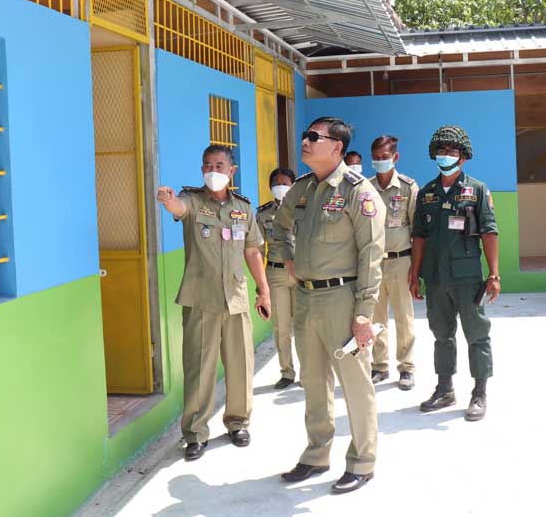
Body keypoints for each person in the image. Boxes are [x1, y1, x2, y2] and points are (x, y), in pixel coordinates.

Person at [271, 117, 385, 495]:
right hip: (305, 297)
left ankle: (362, 461)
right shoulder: (301, 189)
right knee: (314, 382)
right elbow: (279, 227)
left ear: (337, 147)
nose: (305, 141)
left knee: (355, 384)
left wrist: (364, 312)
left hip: (342, 299)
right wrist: (288, 260)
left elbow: (372, 254)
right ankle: (316, 454)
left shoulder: (358, 191)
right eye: (305, 136)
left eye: (313, 137)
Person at [156, 145, 271, 462]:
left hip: (236, 298)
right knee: (199, 368)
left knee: (241, 365)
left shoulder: (243, 208)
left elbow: (252, 251)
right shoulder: (192, 200)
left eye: (219, 165)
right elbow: (179, 208)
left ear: (232, 171)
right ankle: (195, 433)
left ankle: (238, 422)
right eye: (207, 165)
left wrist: (263, 290)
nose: (213, 171)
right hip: (201, 298)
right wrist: (168, 200)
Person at [409, 125, 500, 422]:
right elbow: (419, 236)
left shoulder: (477, 190)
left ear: (463, 157)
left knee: (477, 334)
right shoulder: (427, 193)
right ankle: (445, 388)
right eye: (441, 150)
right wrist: (415, 274)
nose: (445, 155)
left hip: (467, 277)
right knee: (441, 335)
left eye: (452, 151)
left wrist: (494, 274)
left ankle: (479, 392)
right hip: (436, 278)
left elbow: (489, 233)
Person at [368, 135, 418, 391]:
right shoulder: (365, 188)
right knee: (375, 317)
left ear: (395, 157)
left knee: (403, 316)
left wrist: (416, 269)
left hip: (401, 261)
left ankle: (406, 367)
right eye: (376, 158)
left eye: (385, 157)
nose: (380, 161)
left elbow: (418, 230)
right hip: (373, 263)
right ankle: (379, 366)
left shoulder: (408, 187)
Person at [256, 167, 297, 390]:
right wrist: (260, 283)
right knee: (282, 327)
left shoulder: (303, 210)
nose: (280, 187)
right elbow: (258, 250)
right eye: (276, 183)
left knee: (304, 326)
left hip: (301, 274)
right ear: (270, 187)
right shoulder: (263, 214)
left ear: (293, 186)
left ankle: (309, 373)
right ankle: (287, 372)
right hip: (276, 274)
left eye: (285, 183)